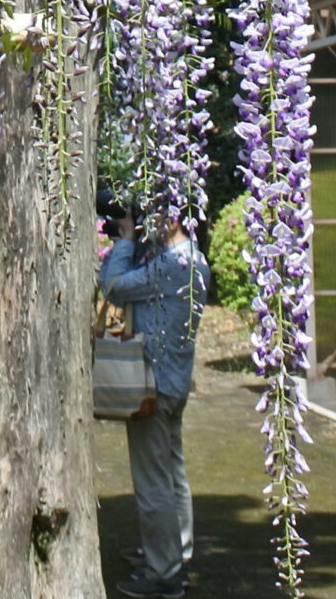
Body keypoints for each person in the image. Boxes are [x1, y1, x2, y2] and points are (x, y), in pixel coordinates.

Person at [100, 211, 208, 599]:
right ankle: (175, 554)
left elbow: (112, 284)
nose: (150, 220)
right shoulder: (196, 261)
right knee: (173, 474)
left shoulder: (172, 264)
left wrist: (126, 240)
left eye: (156, 212)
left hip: (151, 387)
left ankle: (164, 574)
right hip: (174, 383)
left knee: (153, 484)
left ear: (175, 216)